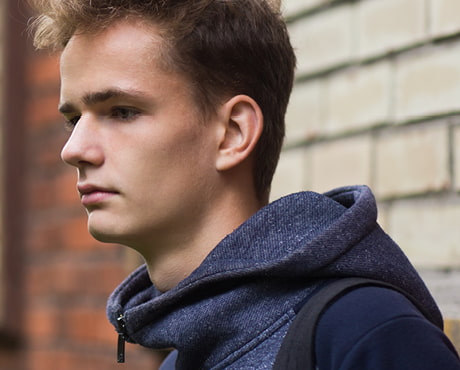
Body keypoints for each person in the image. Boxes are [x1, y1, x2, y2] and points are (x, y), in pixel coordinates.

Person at [30, 0, 460, 368]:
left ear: (233, 133)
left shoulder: (364, 335)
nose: (74, 148)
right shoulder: (180, 355)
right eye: (73, 119)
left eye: (122, 111)